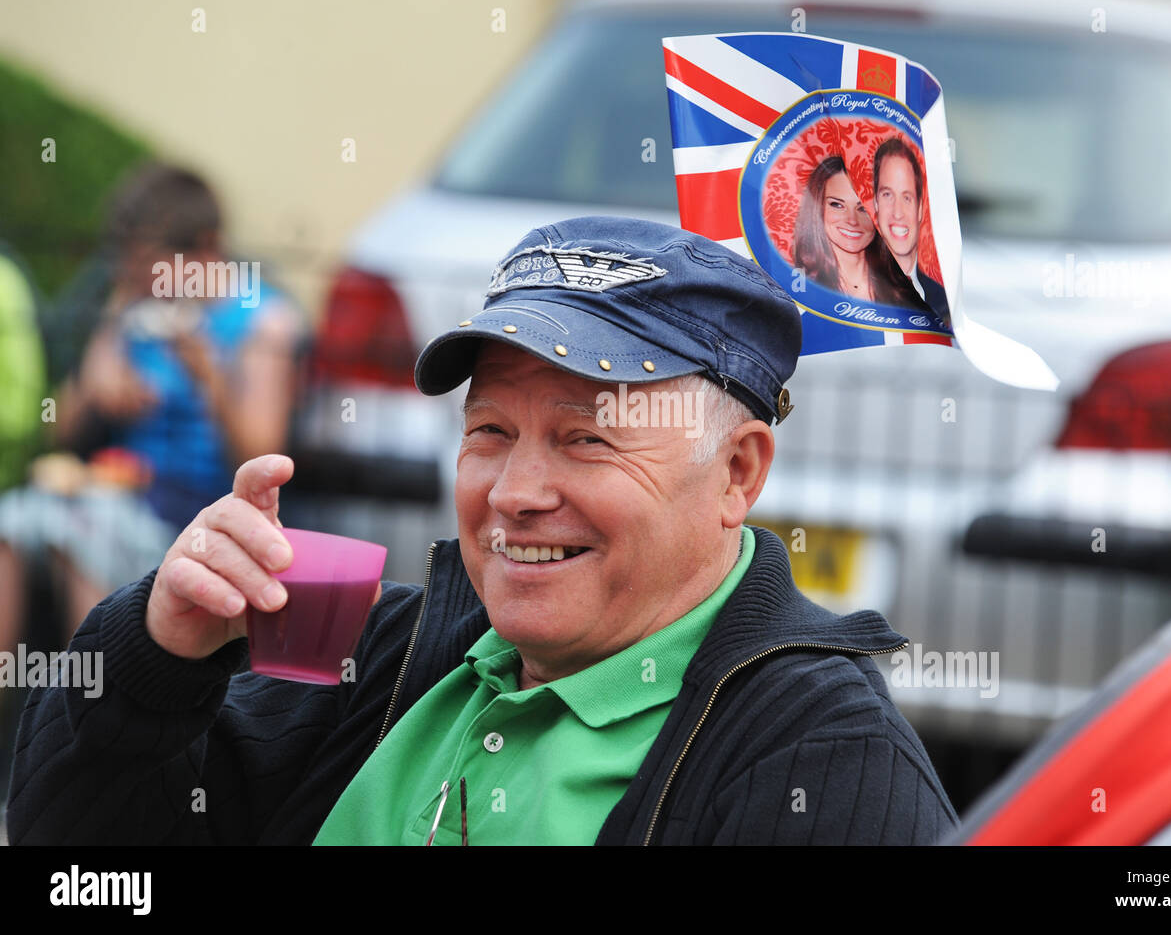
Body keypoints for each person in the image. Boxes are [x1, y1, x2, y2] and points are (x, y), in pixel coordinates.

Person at [7, 217, 958, 845]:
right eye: (490, 432)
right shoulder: (385, 651)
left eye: (587, 437)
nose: (515, 491)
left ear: (738, 473)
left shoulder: (823, 762)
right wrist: (157, 656)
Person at [0, 164, 303, 652]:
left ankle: (94, 706)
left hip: (191, 516)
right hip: (112, 495)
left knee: (85, 533)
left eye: (151, 265)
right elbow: (59, 432)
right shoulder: (135, 309)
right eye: (131, 266)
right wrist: (102, 360)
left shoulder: (264, 324)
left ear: (206, 247)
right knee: (9, 520)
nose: (140, 279)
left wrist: (208, 376)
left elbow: (262, 454)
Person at [791, 155, 928, 313]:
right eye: (837, 205)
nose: (852, 220)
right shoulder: (798, 287)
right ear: (817, 208)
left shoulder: (907, 288)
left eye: (863, 208)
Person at [871, 138, 951, 328]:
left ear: (921, 208)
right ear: (875, 202)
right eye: (887, 195)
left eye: (907, 198)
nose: (897, 213)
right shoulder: (848, 292)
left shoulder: (945, 302)